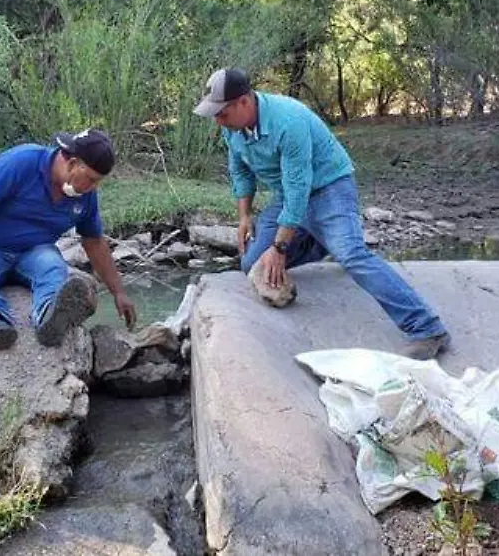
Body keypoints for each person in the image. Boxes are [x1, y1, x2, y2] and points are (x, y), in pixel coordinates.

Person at [193, 67, 451, 359]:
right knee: (251, 263)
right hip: (288, 194)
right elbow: (239, 171)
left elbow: (298, 190)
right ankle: (320, 241)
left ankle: (427, 328)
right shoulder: (233, 129)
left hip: (330, 187)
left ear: (244, 102)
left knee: (351, 254)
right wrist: (244, 217)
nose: (217, 120)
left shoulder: (289, 121)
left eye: (222, 113)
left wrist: (279, 247)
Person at [0, 130, 137, 351]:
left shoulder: (86, 196)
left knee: (53, 268)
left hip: (35, 251)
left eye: (98, 182)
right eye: (91, 179)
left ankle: (50, 317)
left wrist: (119, 292)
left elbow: (94, 242)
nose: (93, 188)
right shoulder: (22, 161)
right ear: (72, 163)